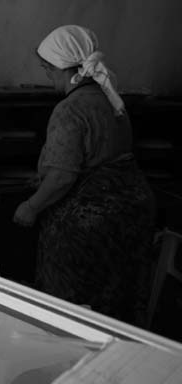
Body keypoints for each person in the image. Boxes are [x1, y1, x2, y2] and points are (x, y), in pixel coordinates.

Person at [13, 24, 156, 326]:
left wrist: (31, 206)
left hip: (91, 224)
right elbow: (102, 156)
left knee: (75, 308)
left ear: (62, 68)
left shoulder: (70, 108)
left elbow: (63, 177)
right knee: (117, 303)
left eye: (48, 69)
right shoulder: (112, 99)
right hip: (133, 213)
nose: (47, 76)